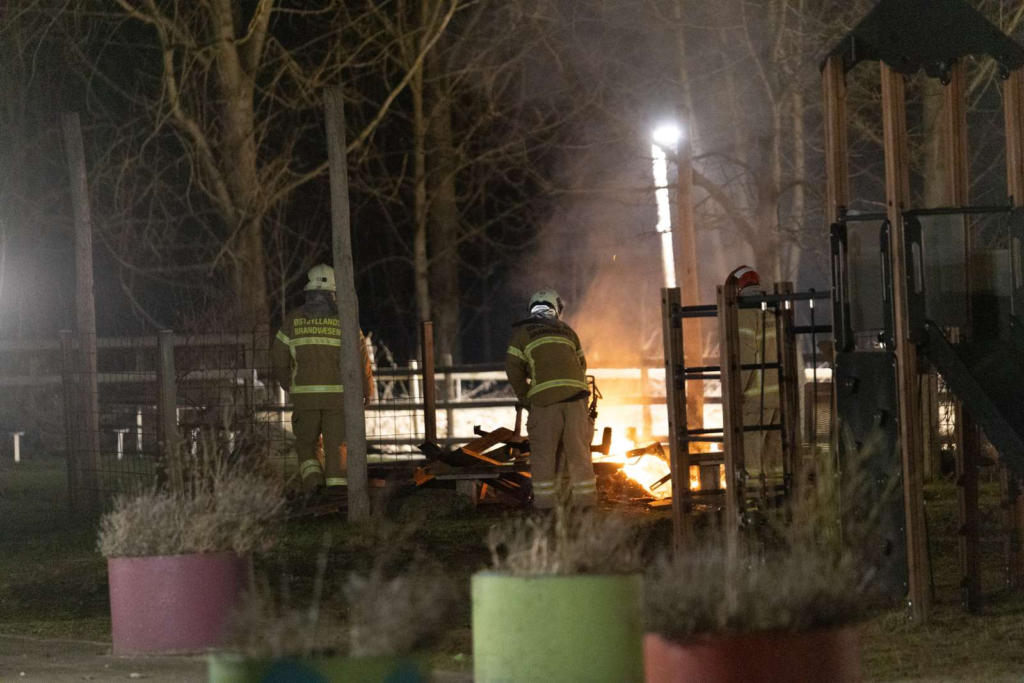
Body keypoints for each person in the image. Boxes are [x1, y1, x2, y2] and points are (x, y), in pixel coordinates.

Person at [272, 264, 374, 493]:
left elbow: (278, 355)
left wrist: (287, 383)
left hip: (304, 399)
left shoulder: (293, 320)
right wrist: (367, 390)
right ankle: (337, 492)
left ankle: (314, 486)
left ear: (308, 292)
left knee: (306, 445)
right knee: (337, 446)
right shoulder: (346, 321)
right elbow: (361, 357)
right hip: (337, 399)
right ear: (333, 293)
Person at [505, 288, 597, 509]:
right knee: (579, 453)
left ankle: (546, 508)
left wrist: (526, 399)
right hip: (577, 400)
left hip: (545, 403)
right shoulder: (568, 331)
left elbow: (513, 369)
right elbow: (582, 365)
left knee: (543, 456)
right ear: (556, 308)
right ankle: (586, 507)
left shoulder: (522, 332)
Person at [725, 266, 781, 490]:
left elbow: (744, 359)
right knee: (775, 459)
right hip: (777, 398)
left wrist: (733, 394)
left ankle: (752, 503)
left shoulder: (743, 316)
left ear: (736, 290)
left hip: (753, 400)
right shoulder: (771, 315)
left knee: (750, 459)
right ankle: (779, 502)